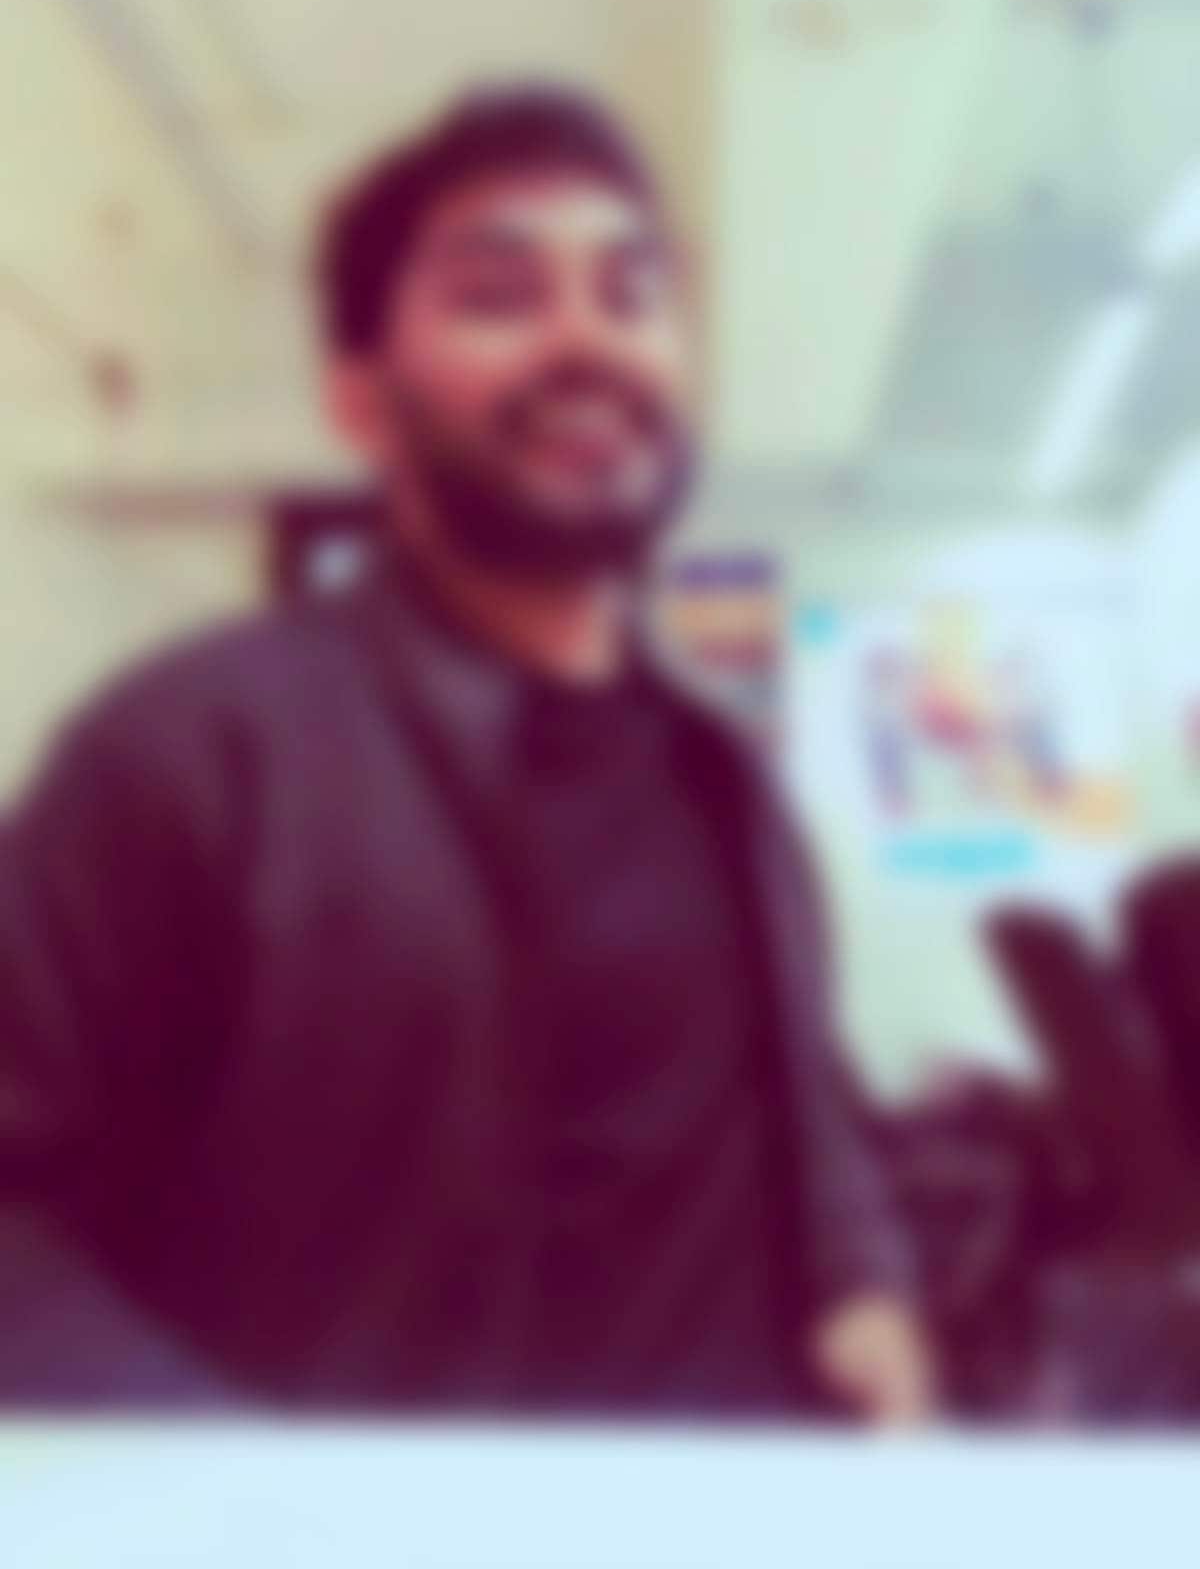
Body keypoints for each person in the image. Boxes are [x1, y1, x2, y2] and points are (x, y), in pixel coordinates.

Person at [0, 85, 931, 1422]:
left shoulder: (726, 775)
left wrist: (865, 1281)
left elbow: (806, 1106)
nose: (588, 339)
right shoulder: (191, 755)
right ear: (361, 403)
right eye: (500, 295)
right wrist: (228, 1492)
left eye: (632, 292)